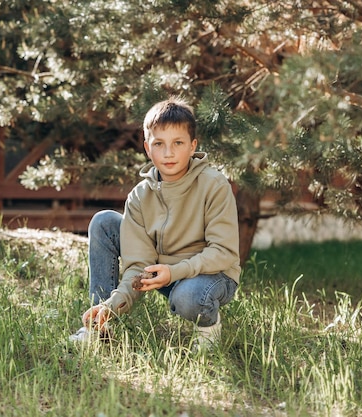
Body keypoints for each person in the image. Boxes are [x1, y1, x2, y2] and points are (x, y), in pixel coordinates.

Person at [69, 97, 241, 349]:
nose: (168, 153)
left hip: (211, 275)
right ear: (148, 149)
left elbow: (223, 253)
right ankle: (98, 324)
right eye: (159, 144)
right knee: (104, 221)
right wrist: (113, 305)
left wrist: (174, 271)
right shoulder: (139, 196)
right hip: (162, 272)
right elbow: (138, 264)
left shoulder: (213, 185)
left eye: (178, 143)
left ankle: (208, 327)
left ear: (193, 146)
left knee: (189, 296)